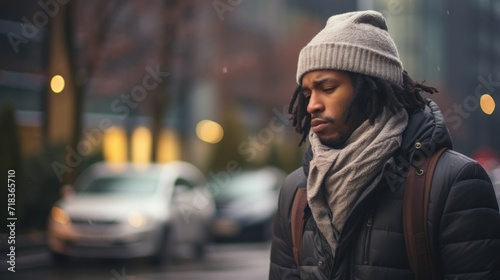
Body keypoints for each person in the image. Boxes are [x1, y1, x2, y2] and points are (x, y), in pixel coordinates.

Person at [269, 10, 500, 280]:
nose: (311, 105)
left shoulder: (453, 184)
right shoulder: (296, 192)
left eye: (328, 88)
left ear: (371, 88)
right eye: (307, 93)